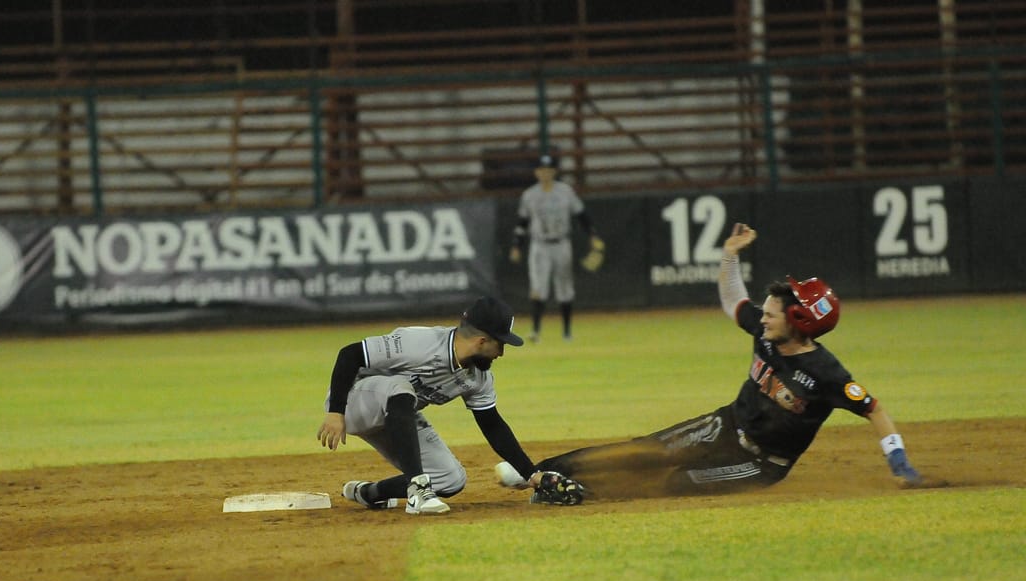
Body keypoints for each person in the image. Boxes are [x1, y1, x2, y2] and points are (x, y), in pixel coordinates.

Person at [497, 222, 925, 501]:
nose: (765, 313)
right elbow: (733, 301)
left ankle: (573, 492)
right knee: (646, 451)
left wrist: (899, 461)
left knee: (676, 483)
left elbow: (874, 409)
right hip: (726, 424)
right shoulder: (766, 330)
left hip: (761, 464)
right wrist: (729, 254)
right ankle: (537, 473)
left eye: (775, 310)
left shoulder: (826, 375)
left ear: (798, 321)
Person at [317, 295, 552, 515]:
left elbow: (493, 426)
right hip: (353, 402)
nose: (501, 353)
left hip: (397, 417)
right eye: (500, 344)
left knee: (450, 478)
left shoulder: (477, 379)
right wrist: (335, 412)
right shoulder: (421, 343)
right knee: (400, 387)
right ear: (482, 341)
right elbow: (350, 354)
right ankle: (418, 491)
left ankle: (370, 493)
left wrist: (531, 474)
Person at [509, 153, 604, 343]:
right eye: (542, 170)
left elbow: (582, 215)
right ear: (537, 172)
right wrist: (516, 245)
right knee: (538, 287)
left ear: (554, 171)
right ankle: (536, 331)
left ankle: (567, 331)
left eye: (549, 169)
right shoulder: (530, 195)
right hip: (540, 245)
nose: (545, 173)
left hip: (561, 243)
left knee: (565, 287)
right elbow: (522, 222)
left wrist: (593, 235)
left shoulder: (565, 192)